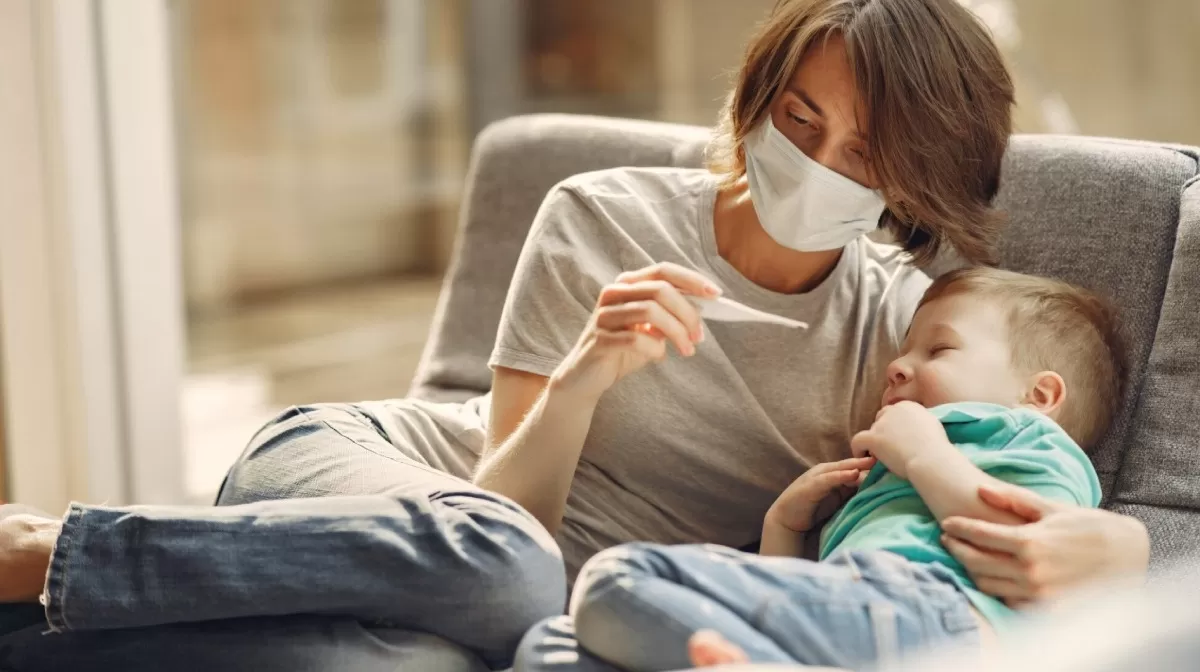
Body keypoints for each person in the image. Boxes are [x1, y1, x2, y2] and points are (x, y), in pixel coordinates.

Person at [0, 1, 1150, 669]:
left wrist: (1129, 552)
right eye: (800, 118)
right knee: (510, 567)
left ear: (911, 182)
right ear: (757, 100)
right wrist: (586, 376)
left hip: (515, 600)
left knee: (390, 665)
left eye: (862, 155)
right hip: (372, 479)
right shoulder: (602, 215)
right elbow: (505, 510)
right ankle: (64, 552)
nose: (816, 161)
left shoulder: (903, 332)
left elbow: (1001, 491)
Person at [513, 267, 1127, 671]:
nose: (898, 366)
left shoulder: (1029, 440)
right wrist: (784, 526)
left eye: (939, 349)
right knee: (550, 649)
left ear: (1040, 395)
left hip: (948, 623)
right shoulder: (886, 476)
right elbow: (806, 608)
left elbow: (1019, 541)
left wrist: (924, 452)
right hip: (869, 623)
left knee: (618, 578)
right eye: (902, 349)